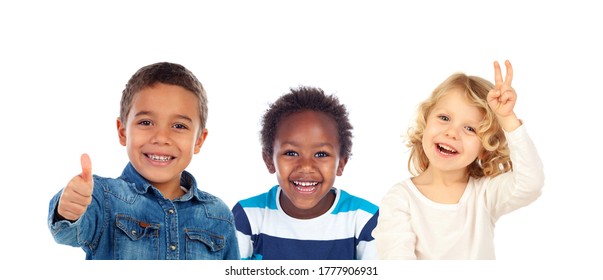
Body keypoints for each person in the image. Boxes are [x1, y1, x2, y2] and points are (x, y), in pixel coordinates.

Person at [47, 62, 239, 260]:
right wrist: (68, 210)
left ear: (199, 140)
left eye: (179, 126)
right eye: (146, 122)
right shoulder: (103, 198)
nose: (161, 137)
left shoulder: (218, 216)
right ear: (123, 132)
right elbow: (66, 233)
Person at [372, 60, 544, 260]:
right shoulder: (401, 199)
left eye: (470, 129)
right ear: (426, 122)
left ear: (485, 149)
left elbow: (531, 183)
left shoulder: (485, 195)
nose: (452, 133)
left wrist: (507, 118)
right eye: (444, 118)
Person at [231, 86, 379, 260]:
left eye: (321, 154)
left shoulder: (364, 219)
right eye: (291, 153)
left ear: (341, 163)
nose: (306, 166)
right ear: (269, 160)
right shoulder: (249, 215)